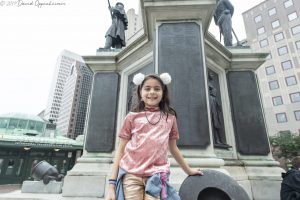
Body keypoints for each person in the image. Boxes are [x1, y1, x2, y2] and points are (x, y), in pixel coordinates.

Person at [106, 73, 203, 200]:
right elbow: (121, 149)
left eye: (157, 88)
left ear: (163, 93)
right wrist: (111, 186)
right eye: (147, 88)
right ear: (140, 92)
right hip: (131, 175)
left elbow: (173, 148)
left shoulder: (170, 117)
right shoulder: (131, 117)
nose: (152, 92)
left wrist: (188, 170)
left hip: (156, 176)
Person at [208, 72, 231, 148]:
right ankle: (217, 140)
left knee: (218, 122)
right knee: (214, 122)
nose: (212, 75)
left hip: (214, 102)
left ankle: (220, 140)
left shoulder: (211, 84)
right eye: (210, 74)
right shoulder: (207, 84)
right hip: (211, 103)